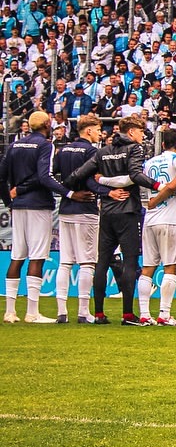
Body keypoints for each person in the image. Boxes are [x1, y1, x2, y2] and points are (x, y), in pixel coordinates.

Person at [71, 116, 164, 326]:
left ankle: (99, 314)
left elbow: (78, 175)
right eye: (141, 131)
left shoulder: (102, 151)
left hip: (107, 211)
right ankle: (128, 315)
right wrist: (159, 186)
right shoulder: (134, 149)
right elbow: (135, 175)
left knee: (102, 261)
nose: (143, 135)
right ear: (131, 132)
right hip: (128, 210)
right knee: (130, 261)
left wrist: (102, 186)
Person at [1, 110, 82, 324]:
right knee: (37, 256)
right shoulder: (46, 145)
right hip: (38, 204)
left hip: (18, 207)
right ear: (47, 124)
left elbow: (2, 177)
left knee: (17, 255)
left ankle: (10, 311)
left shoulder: (14, 145)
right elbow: (44, 177)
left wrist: (10, 201)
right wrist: (69, 192)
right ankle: (32, 311)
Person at [51, 113, 103, 323]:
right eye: (98, 129)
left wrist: (67, 192)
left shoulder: (63, 150)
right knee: (87, 262)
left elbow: (53, 174)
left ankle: (61, 311)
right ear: (88, 130)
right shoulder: (92, 151)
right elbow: (93, 179)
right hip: (85, 208)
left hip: (65, 209)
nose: (100, 133)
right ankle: (83, 311)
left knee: (65, 262)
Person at [136, 127, 176, 326]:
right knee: (170, 267)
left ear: (163, 144)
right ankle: (164, 314)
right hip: (169, 218)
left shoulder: (149, 163)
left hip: (150, 219)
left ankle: (143, 314)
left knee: (147, 268)